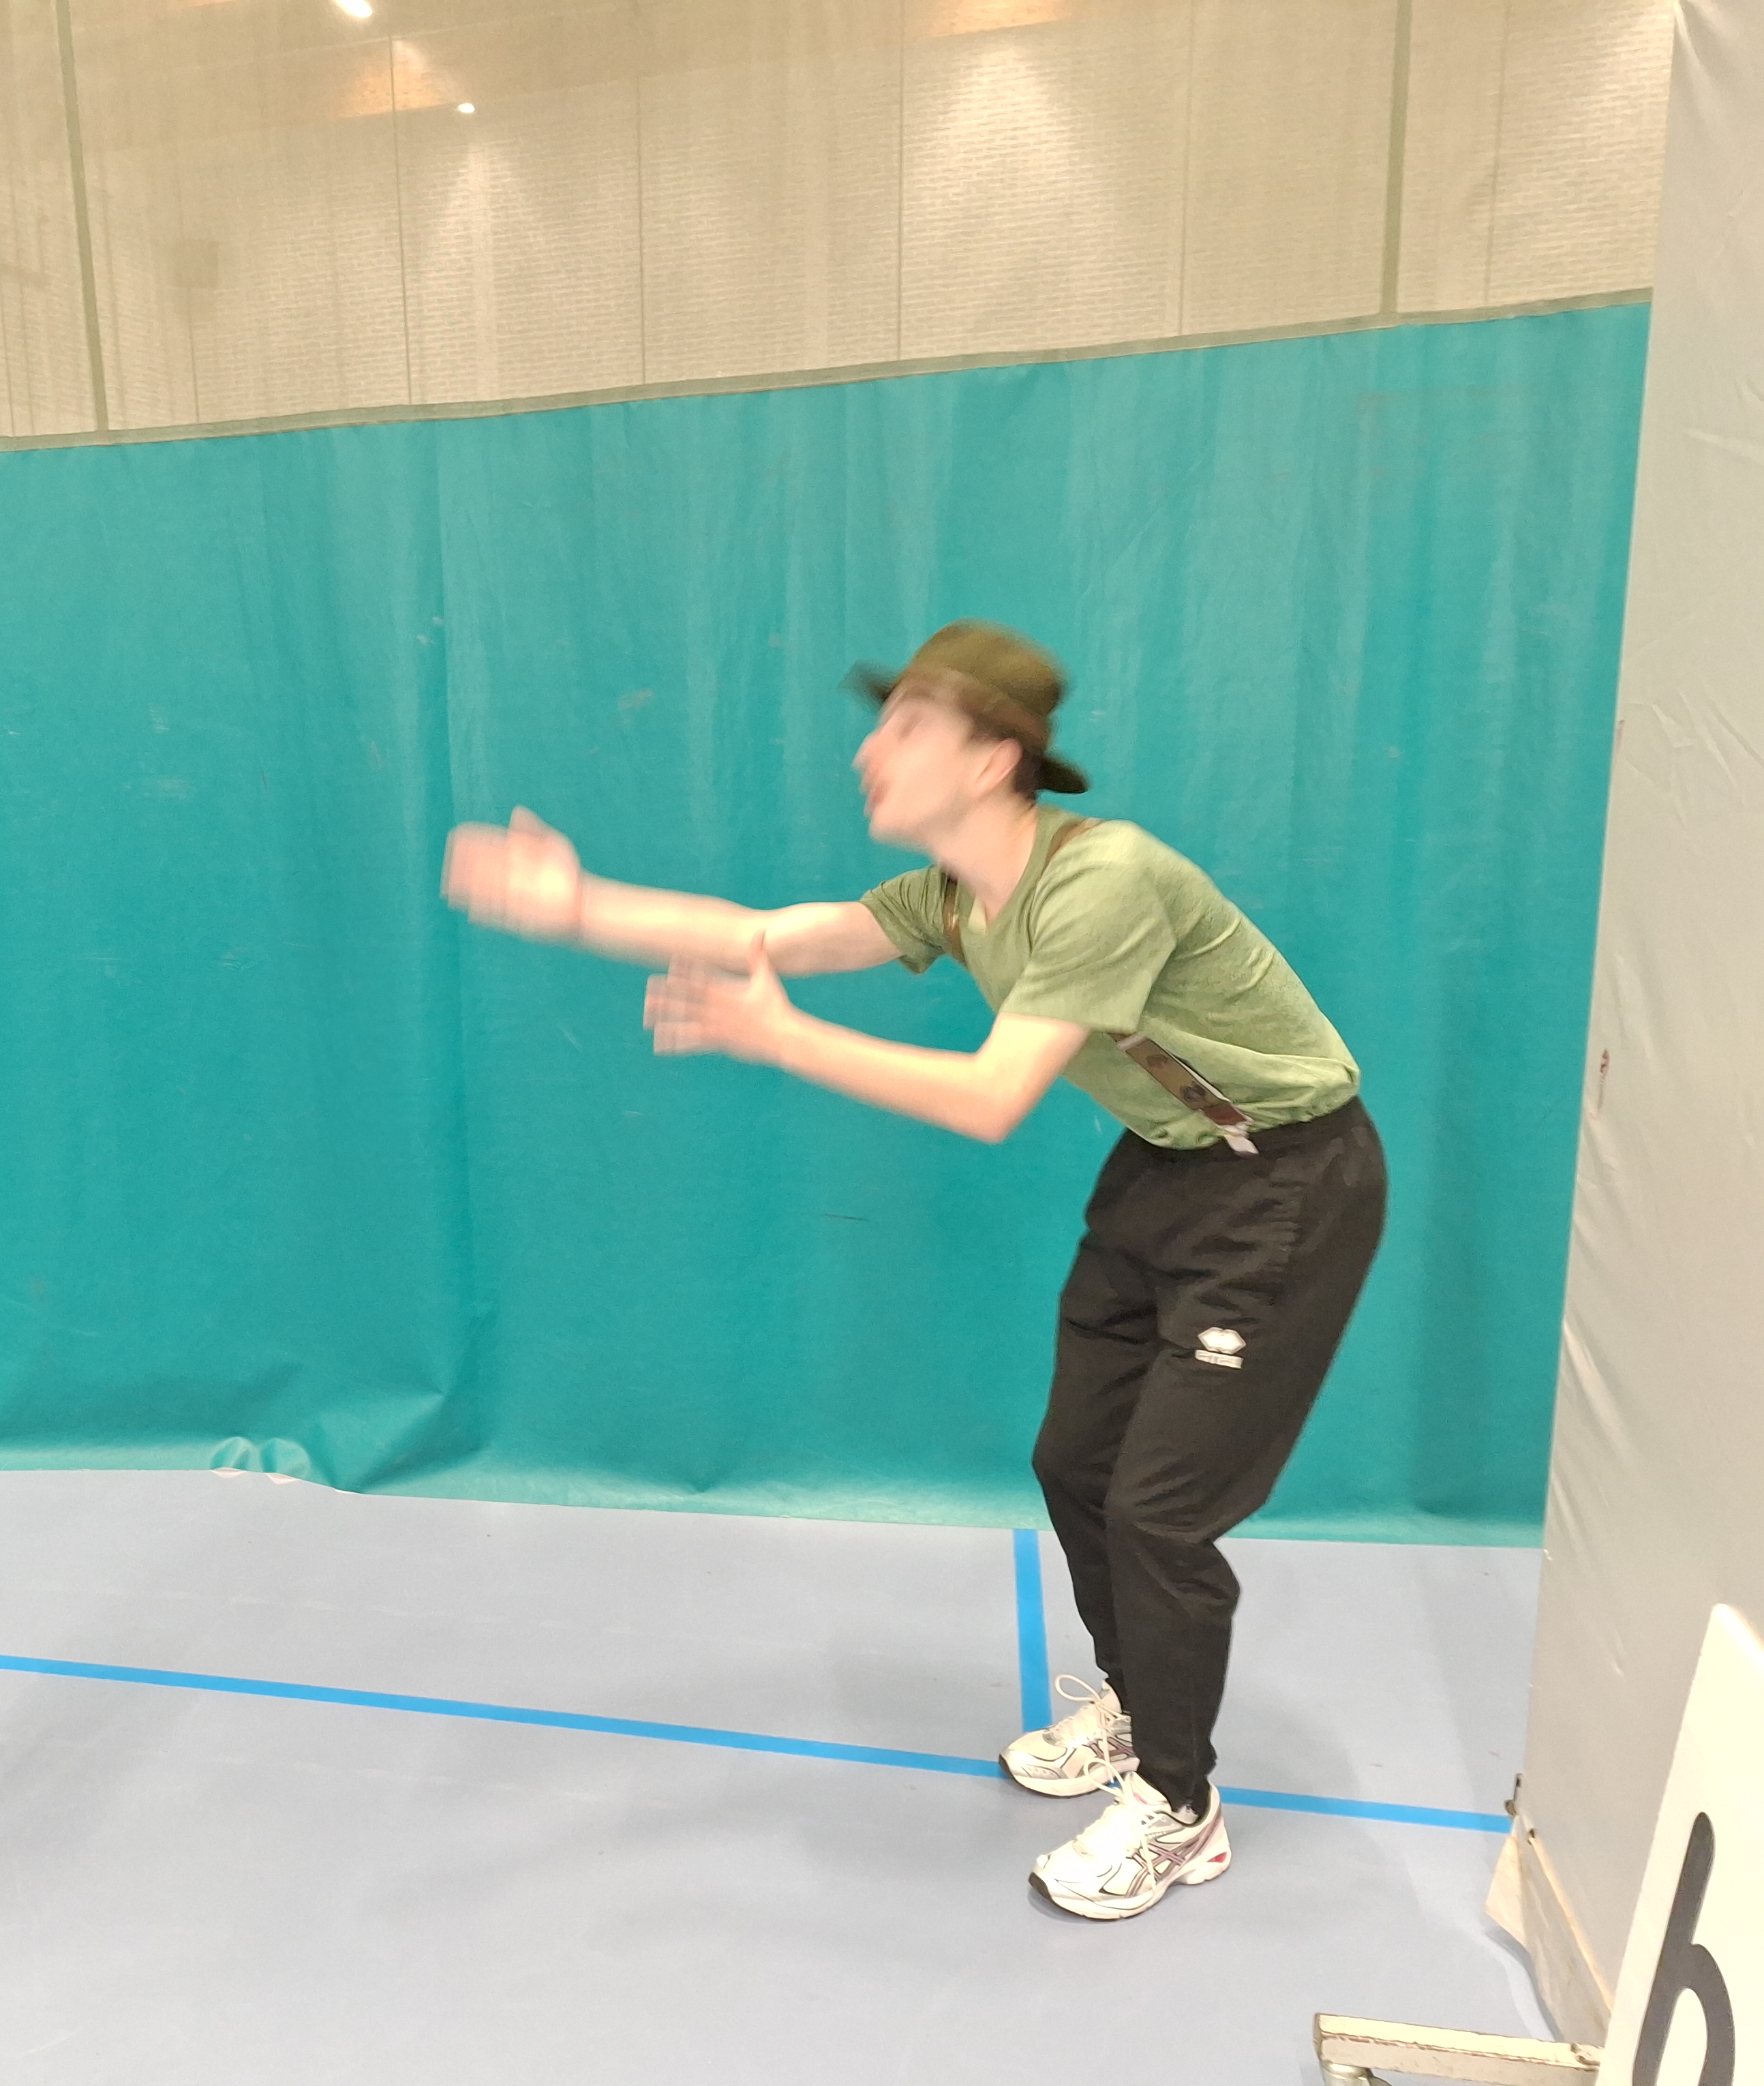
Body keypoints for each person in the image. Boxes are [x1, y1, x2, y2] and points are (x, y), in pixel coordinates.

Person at [440, 621, 1385, 1921]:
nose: (867, 751)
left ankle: (1180, 1806)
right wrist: (575, 905)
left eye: (907, 728)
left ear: (994, 760)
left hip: (1283, 1182)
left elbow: (993, 1098)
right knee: (1076, 1465)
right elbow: (766, 933)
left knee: (1161, 1513)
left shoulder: (1102, 881)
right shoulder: (953, 895)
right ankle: (1137, 1706)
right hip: (1169, 1166)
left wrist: (781, 1041)